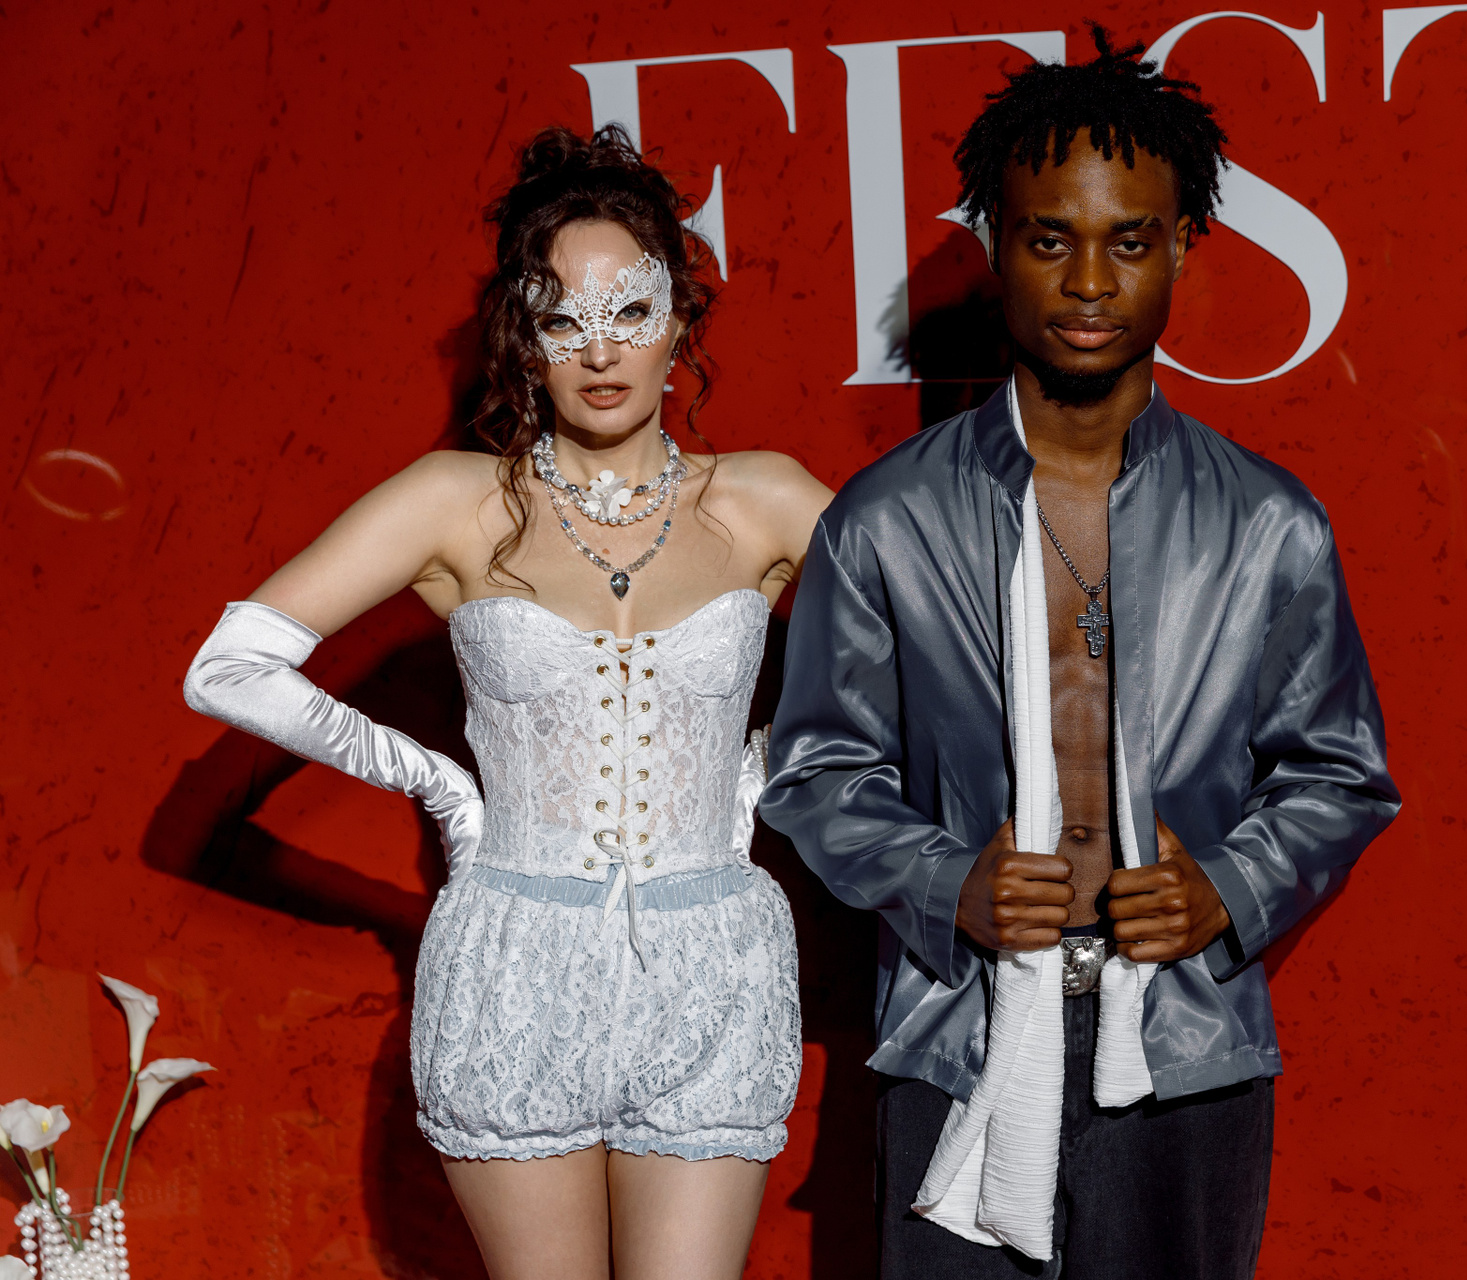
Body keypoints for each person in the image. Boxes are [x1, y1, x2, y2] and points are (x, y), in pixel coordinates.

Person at [761, 31, 1400, 1280]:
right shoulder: (887, 519)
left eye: (1131, 241)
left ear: (1182, 246)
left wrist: (1230, 886)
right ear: (997, 246)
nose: (1091, 281)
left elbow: (1341, 774)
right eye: (1051, 240)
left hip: (1185, 1044)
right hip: (959, 1036)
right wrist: (948, 879)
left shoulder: (1267, 522)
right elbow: (815, 773)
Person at [182, 125, 832, 1280]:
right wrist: (434, 781)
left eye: (630, 310)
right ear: (522, 338)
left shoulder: (762, 499)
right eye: (559, 317)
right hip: (511, 969)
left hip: (713, 964)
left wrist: (764, 766)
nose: (600, 347)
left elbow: (943, 654)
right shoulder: (459, 501)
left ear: (681, 318)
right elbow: (227, 665)